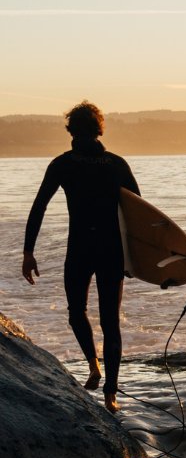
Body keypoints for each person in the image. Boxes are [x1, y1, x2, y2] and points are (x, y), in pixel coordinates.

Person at [22, 101, 139, 413]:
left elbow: (39, 207)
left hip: (84, 249)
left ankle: (100, 375)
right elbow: (139, 212)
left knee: (81, 313)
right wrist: (137, 259)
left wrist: (29, 251)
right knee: (104, 321)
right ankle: (105, 383)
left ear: (72, 130)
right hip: (108, 251)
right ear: (97, 129)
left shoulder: (68, 164)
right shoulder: (114, 164)